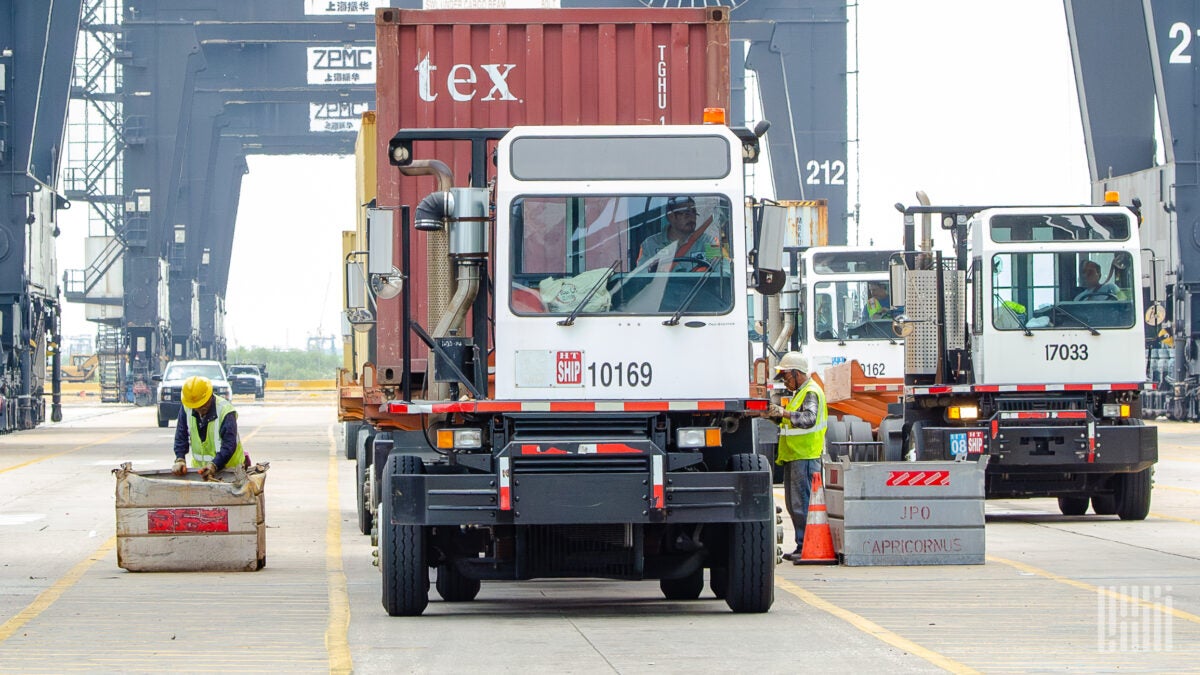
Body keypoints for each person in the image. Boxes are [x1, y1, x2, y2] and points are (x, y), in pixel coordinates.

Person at [769, 351, 827, 563]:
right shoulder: (800, 393)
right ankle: (802, 545)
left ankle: (806, 546)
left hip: (805, 456)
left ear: (797, 373)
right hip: (795, 456)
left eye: (786, 376)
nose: (785, 381)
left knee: (801, 504)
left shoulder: (810, 392)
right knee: (794, 505)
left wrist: (783, 412)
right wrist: (773, 416)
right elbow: (791, 422)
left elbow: (808, 419)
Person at [171, 375, 247, 479]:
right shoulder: (187, 408)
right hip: (201, 472)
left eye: (202, 406)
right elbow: (181, 435)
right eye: (195, 407)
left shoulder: (225, 411)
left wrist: (215, 464)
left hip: (231, 471)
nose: (199, 410)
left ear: (210, 397)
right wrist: (180, 459)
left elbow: (229, 445)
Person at [636, 196, 721, 271]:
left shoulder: (709, 243)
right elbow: (641, 278)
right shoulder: (650, 245)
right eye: (686, 214)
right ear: (671, 216)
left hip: (699, 285)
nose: (692, 218)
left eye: (694, 212)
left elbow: (723, 269)